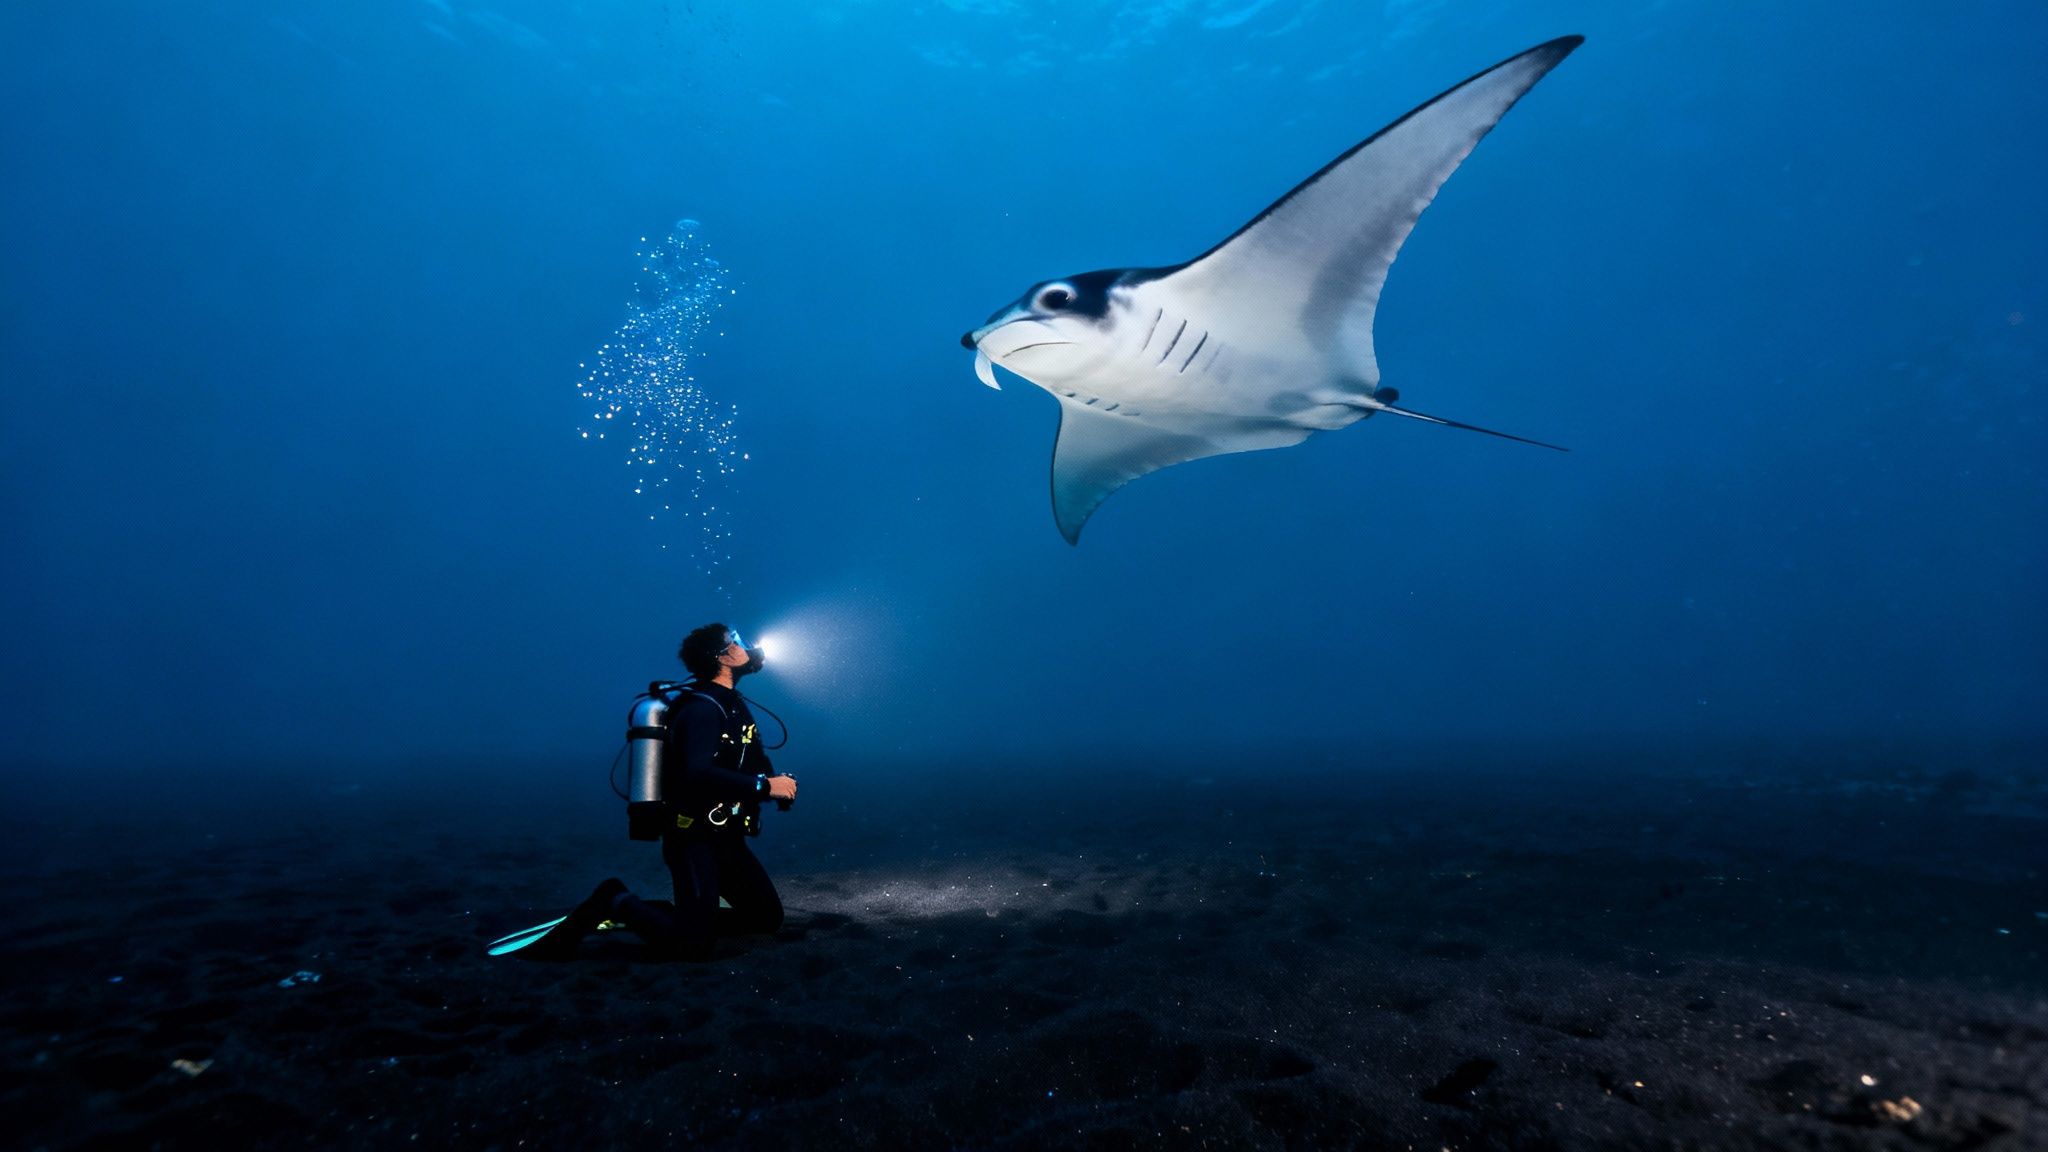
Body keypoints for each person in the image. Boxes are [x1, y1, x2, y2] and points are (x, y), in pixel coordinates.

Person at [523, 623, 798, 961]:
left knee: (764, 918)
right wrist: (764, 786)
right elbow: (695, 773)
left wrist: (773, 781)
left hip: (727, 838)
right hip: (694, 838)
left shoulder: (731, 703)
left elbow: (743, 758)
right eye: (736, 641)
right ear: (722, 657)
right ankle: (614, 900)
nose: (747, 646)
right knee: (693, 946)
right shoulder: (702, 709)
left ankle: (679, 916)